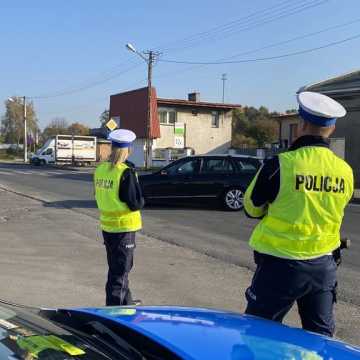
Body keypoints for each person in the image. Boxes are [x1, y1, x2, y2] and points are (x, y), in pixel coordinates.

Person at [243, 91, 354, 337]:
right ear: (332, 128)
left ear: (300, 125)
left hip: (280, 266)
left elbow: (251, 208)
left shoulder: (279, 165)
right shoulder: (345, 171)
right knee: (320, 338)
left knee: (258, 334)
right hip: (324, 266)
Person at [94, 129, 144, 306]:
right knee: (120, 272)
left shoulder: (100, 169)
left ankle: (127, 303)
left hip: (108, 228)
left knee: (118, 269)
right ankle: (114, 311)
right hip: (124, 228)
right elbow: (136, 203)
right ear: (127, 150)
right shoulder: (126, 172)